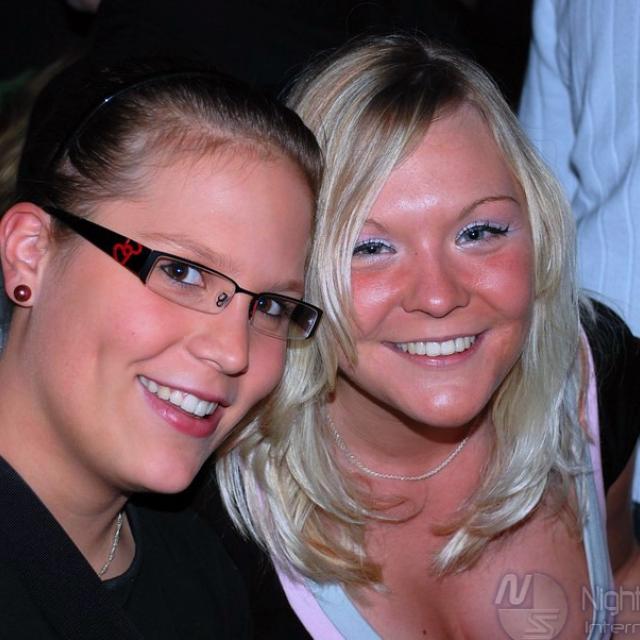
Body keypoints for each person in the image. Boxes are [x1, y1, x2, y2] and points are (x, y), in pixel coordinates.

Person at [208, 35, 640, 639]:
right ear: (296, 269)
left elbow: (621, 577)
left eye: (478, 232)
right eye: (370, 247)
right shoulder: (211, 516)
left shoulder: (596, 372)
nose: (438, 297)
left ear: (538, 226)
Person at [0, 55, 322, 639]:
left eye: (271, 306)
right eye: (181, 272)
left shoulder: (209, 575)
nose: (234, 352)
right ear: (31, 253)